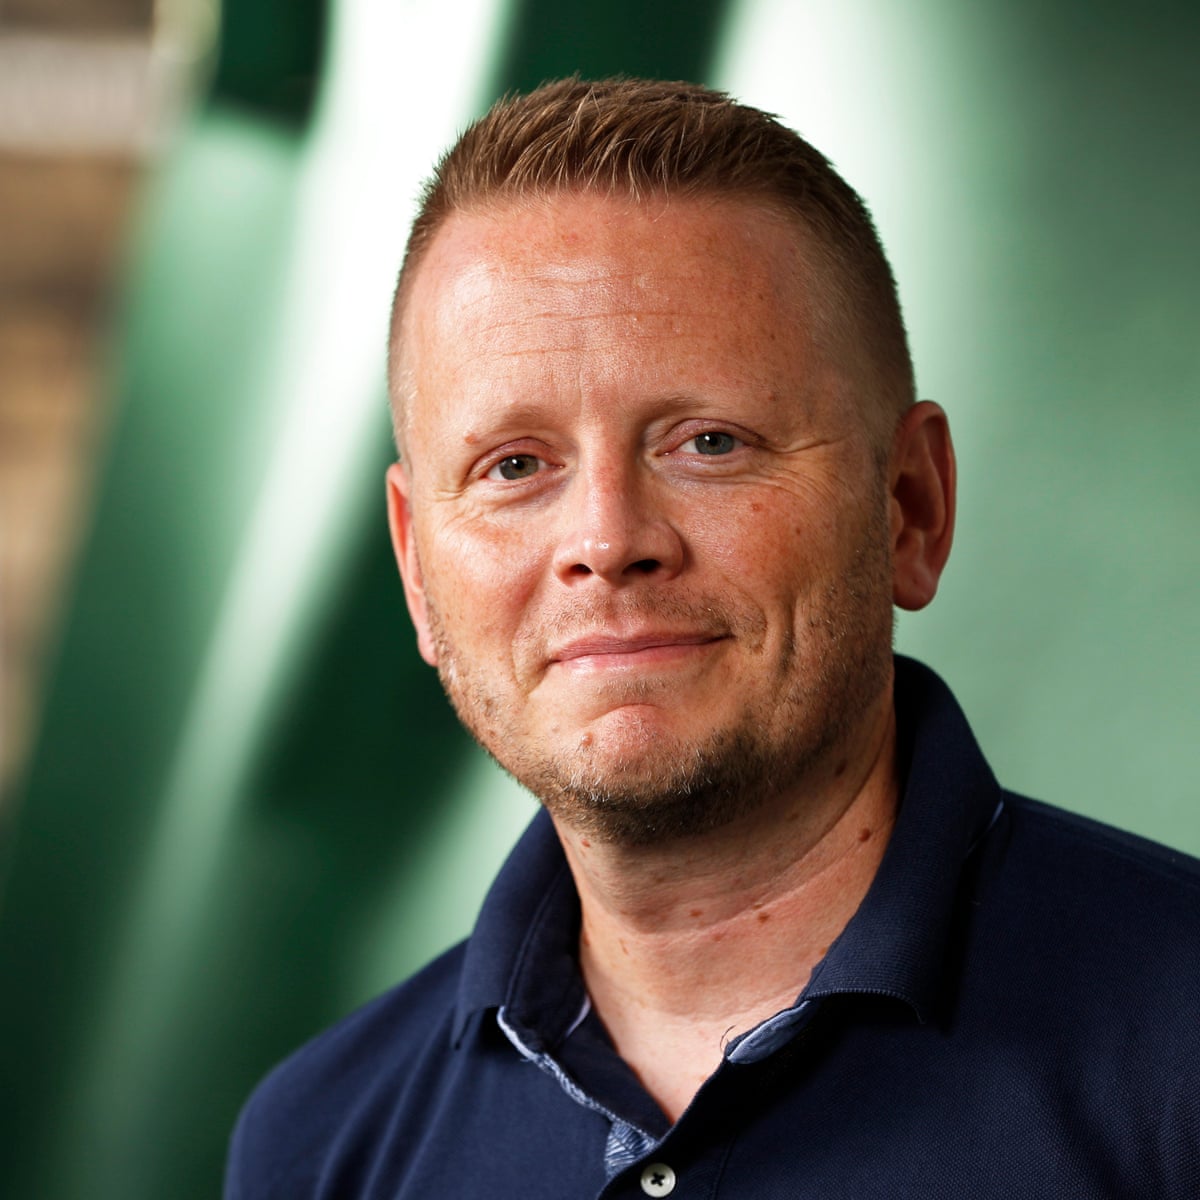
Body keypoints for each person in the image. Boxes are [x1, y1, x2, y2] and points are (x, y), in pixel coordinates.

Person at [225, 78, 1200, 1198]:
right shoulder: (316, 1148)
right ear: (414, 567)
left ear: (909, 508)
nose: (607, 541)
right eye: (514, 465)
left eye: (710, 443)